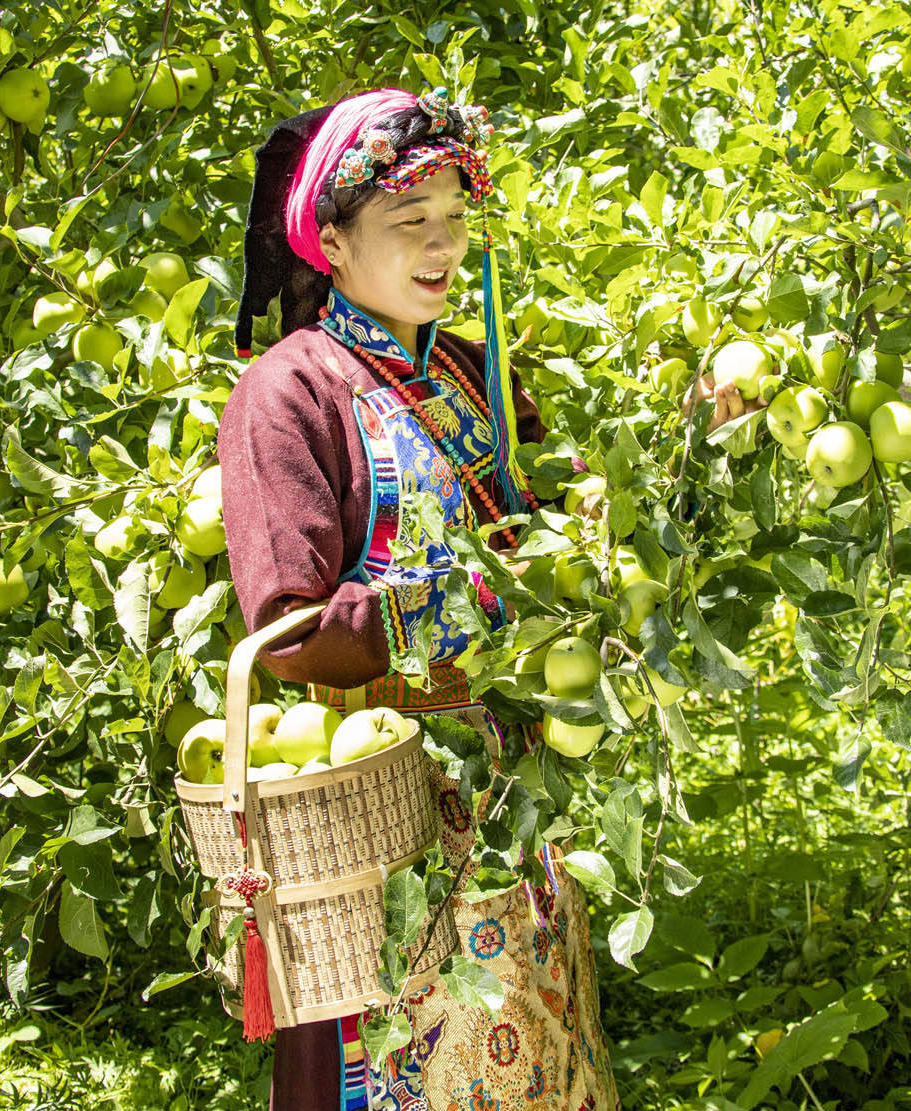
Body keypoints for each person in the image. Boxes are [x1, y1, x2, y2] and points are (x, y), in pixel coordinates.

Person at [219, 88, 619, 1111]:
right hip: (384, 808)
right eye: (409, 222)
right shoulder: (291, 389)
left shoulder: (477, 375)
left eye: (453, 218)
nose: (442, 246)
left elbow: (556, 532)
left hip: (514, 794)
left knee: (541, 1051)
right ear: (334, 244)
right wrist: (465, 597)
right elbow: (288, 631)